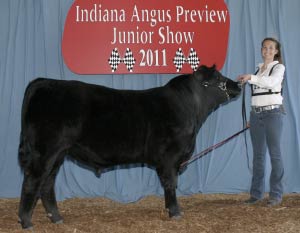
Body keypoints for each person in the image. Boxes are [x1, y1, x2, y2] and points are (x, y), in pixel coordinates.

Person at [237, 37, 285, 207]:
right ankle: (256, 194)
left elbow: (272, 83)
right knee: (258, 157)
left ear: (276, 51)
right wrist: (251, 118)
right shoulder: (258, 70)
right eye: (265, 48)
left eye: (271, 48)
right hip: (256, 116)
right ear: (261, 50)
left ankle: (276, 195)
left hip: (273, 114)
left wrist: (251, 78)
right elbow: (255, 96)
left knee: (275, 155)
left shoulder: (278, 68)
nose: (267, 51)